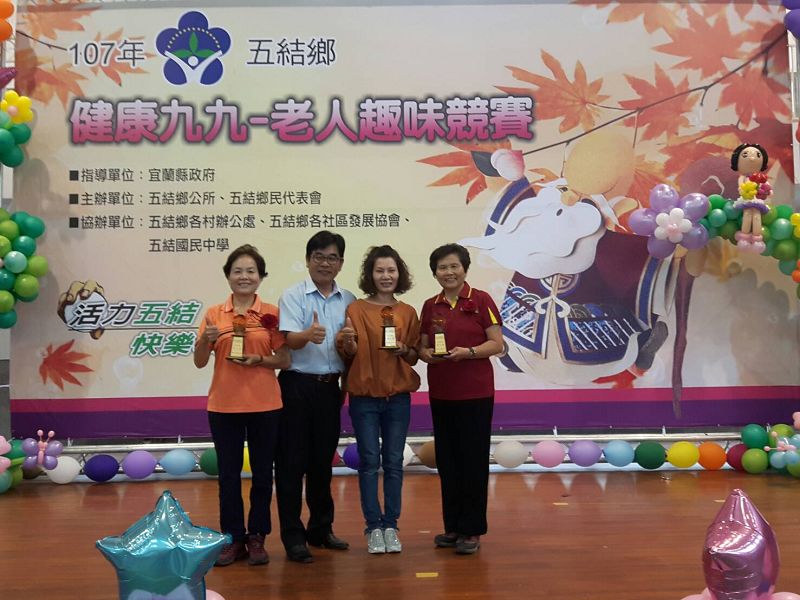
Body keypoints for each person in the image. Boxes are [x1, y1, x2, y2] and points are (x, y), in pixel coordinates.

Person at [194, 244, 290, 567]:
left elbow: (285, 360)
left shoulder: (272, 313)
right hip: (224, 406)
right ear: (228, 276)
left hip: (266, 404)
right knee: (228, 476)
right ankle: (232, 538)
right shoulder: (214, 314)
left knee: (263, 474)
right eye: (238, 271)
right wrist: (205, 340)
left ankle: (257, 536)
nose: (244, 276)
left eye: (251, 271)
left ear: (261, 276)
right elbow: (199, 361)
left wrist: (259, 360)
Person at [418, 243, 504, 555]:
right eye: (442, 267)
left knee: (473, 462)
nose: (449, 272)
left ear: (465, 269)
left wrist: (468, 352)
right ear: (435, 273)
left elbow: (497, 344)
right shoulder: (430, 306)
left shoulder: (481, 300)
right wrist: (427, 354)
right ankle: (453, 526)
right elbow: (422, 347)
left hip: (476, 394)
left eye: (454, 266)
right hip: (442, 393)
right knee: (448, 461)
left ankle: (472, 530)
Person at [276, 230, 356, 563]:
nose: (325, 263)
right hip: (296, 386)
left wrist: (349, 351)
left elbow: (351, 350)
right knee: (291, 464)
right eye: (319, 257)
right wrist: (307, 335)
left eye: (332, 258)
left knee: (323, 462)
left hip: (329, 387)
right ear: (308, 260)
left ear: (341, 263)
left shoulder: (349, 299)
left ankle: (321, 529)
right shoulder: (293, 295)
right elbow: (288, 341)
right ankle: (293, 536)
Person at [337, 245, 420, 554]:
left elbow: (414, 356)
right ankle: (373, 527)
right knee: (369, 462)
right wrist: (347, 342)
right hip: (364, 398)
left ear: (400, 274)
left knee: (394, 462)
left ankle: (391, 526)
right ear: (370, 275)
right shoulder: (356, 309)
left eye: (391, 270)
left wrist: (404, 349)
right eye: (380, 270)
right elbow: (348, 353)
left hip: (398, 397)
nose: (386, 276)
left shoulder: (408, 312)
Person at [731, 143, 771, 254]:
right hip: (747, 198)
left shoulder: (761, 178)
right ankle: (744, 237)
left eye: (758, 155)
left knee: (757, 216)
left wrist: (768, 191)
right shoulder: (743, 177)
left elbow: (766, 186)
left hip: (757, 199)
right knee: (747, 214)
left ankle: (757, 238)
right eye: (745, 155)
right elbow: (741, 186)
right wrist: (743, 190)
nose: (752, 158)